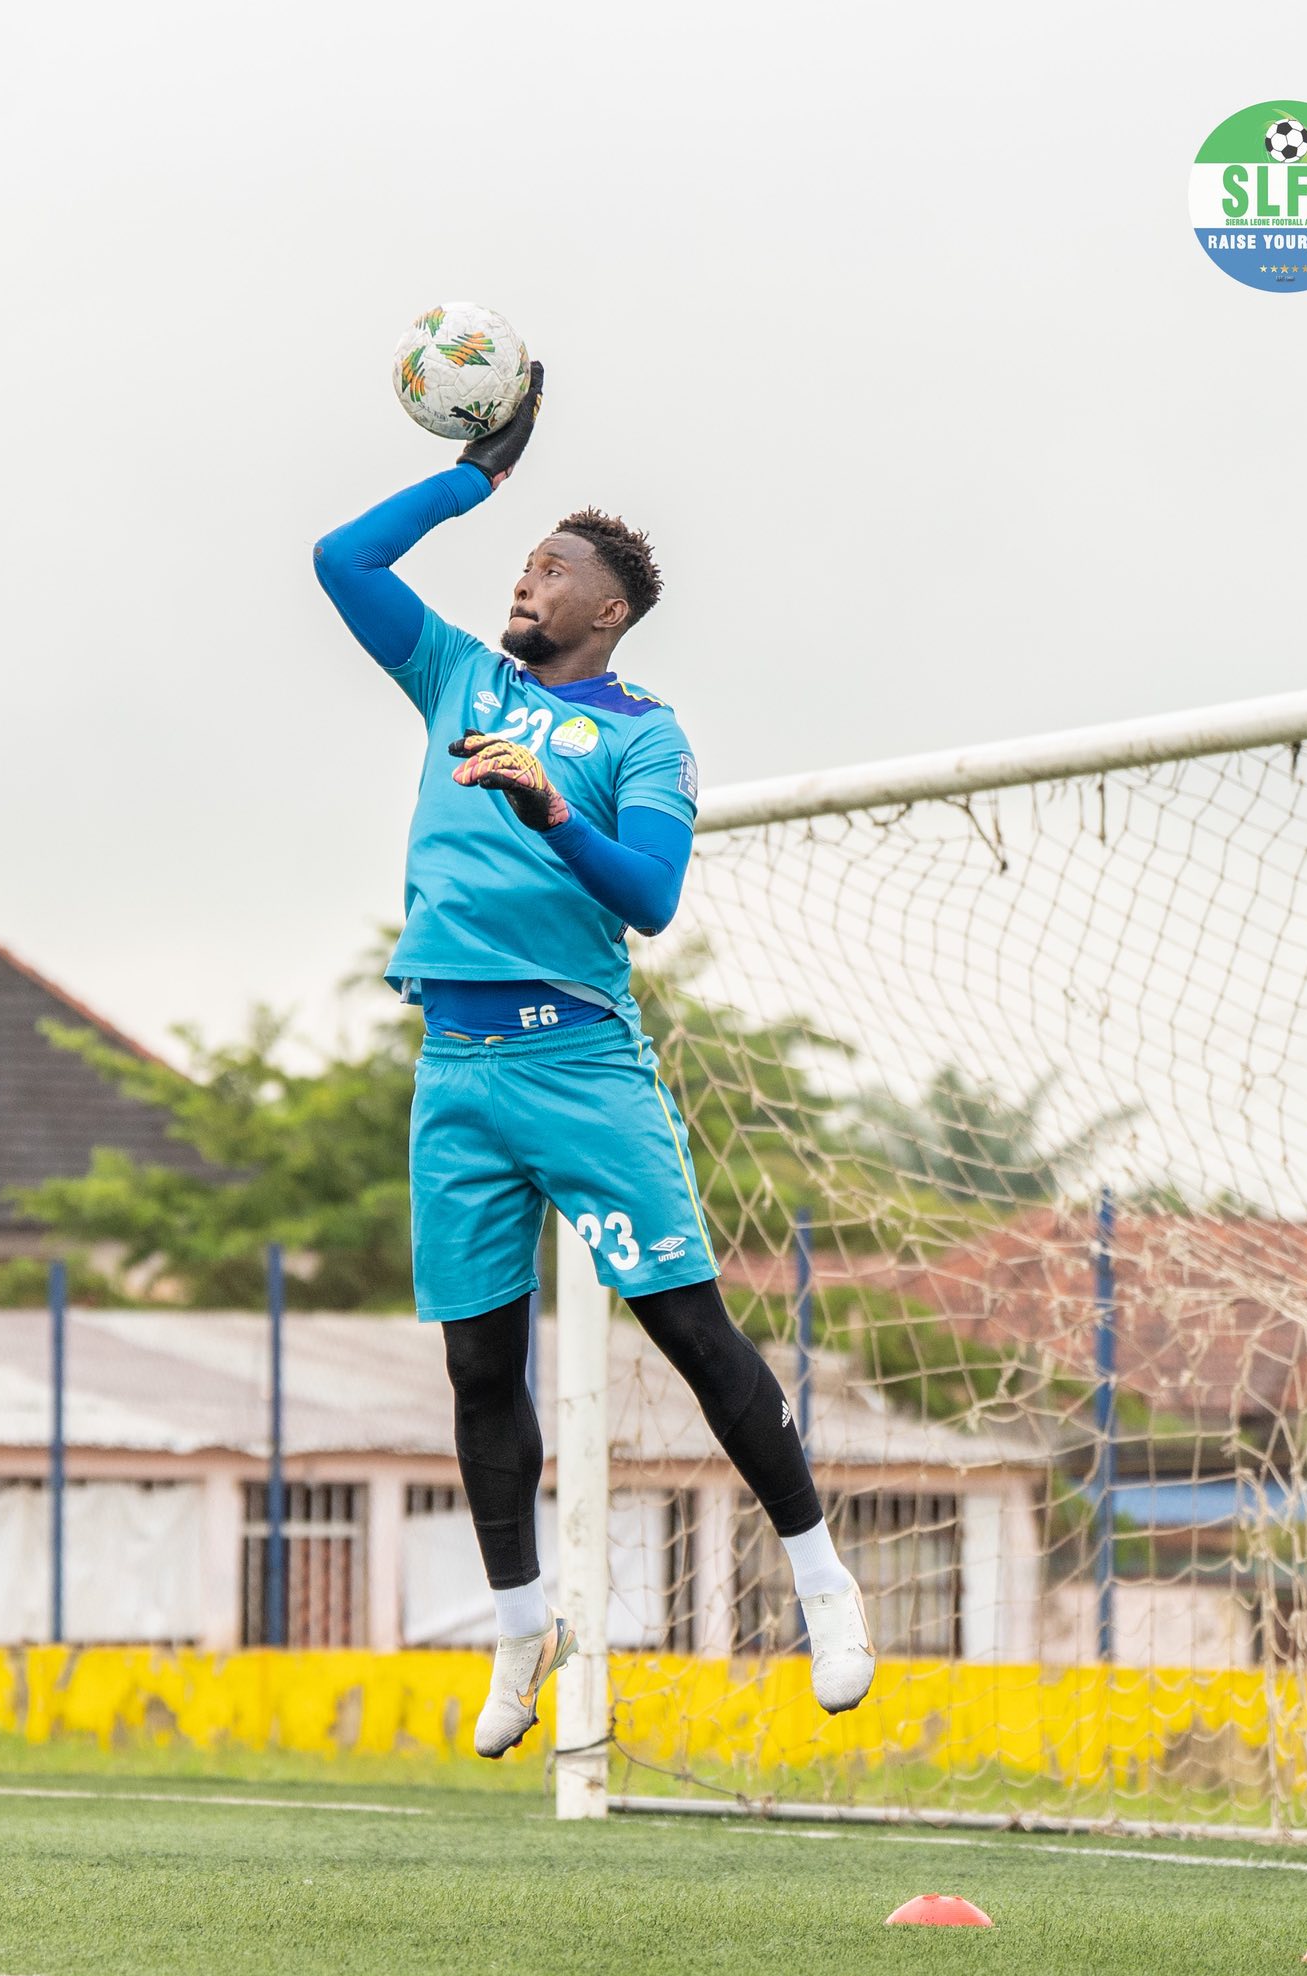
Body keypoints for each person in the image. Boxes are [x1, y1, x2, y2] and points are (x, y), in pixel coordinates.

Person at [313, 366, 873, 1756]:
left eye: (550, 566)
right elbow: (340, 558)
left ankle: (821, 1579)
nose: (526, 577)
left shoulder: (646, 736)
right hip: (456, 1070)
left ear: (606, 611)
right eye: (523, 556)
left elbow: (652, 897)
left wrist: (554, 803)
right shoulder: (455, 676)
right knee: (478, 1370)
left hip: (580, 1066)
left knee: (688, 1332)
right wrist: (477, 478)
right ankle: (522, 1633)